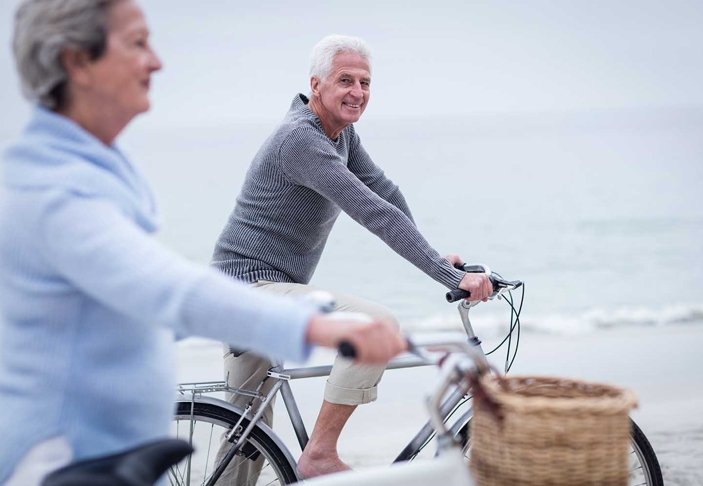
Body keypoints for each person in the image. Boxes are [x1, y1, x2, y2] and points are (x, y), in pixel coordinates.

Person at [0, 3, 406, 485]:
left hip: (109, 456)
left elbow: (129, 314)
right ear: (76, 62)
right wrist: (314, 326)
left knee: (243, 449)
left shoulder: (96, 168)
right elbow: (169, 290)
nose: (157, 61)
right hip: (62, 466)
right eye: (137, 43)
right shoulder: (57, 188)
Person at [211, 34, 492, 480]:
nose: (357, 92)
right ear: (315, 85)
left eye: (365, 82)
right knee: (374, 325)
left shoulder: (340, 134)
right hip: (248, 289)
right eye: (345, 80)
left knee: (245, 445)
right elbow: (372, 212)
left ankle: (303, 456)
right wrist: (443, 275)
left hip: (256, 291)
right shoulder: (300, 140)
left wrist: (438, 259)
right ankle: (320, 453)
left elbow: (384, 193)